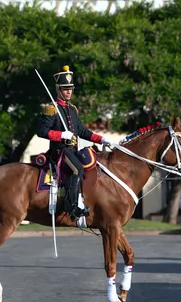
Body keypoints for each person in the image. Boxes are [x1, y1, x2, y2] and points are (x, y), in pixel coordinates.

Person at [36, 65, 122, 221]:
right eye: (65, 89)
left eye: (70, 88)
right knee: (77, 170)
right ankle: (72, 208)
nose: (69, 91)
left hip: (73, 150)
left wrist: (101, 139)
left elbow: (82, 131)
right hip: (60, 151)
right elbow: (41, 131)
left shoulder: (73, 110)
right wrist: (62, 135)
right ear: (58, 90)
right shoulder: (51, 109)